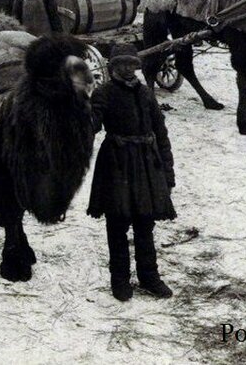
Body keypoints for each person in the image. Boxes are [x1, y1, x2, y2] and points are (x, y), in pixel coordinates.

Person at [87, 43, 175, 301]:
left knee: (145, 223)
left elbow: (161, 132)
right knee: (117, 223)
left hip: (148, 163)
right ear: (112, 67)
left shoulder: (147, 93)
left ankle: (149, 277)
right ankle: (120, 280)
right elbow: (91, 126)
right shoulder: (103, 93)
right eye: (121, 65)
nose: (127, 70)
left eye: (131, 64)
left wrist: (168, 171)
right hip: (117, 163)